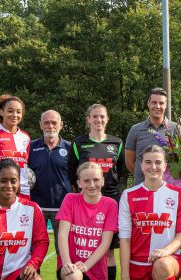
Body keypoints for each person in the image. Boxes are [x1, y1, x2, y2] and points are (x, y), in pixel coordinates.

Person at [67, 104, 125, 279]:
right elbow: (72, 173)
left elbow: (120, 171)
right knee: (86, 247)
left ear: (107, 119)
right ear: (88, 119)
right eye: (95, 116)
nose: (98, 120)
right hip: (87, 201)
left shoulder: (117, 143)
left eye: (102, 116)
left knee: (108, 251)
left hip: (110, 201)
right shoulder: (78, 143)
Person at [119, 145, 181, 280]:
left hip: (168, 259)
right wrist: (124, 274)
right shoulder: (128, 195)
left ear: (165, 165)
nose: (153, 167)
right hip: (137, 264)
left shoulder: (178, 194)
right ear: (141, 165)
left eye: (158, 162)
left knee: (162, 265)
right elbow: (125, 238)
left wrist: (165, 251)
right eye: (148, 162)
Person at [56, 162, 118, 280]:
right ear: (79, 183)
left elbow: (106, 243)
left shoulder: (110, 204)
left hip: (95, 267)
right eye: (86, 181)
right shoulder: (70, 199)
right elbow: (62, 234)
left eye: (96, 180)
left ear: (103, 181)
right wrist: (68, 264)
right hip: (70, 264)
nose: (92, 184)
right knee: (74, 276)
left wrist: (86, 265)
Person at [28, 109, 72, 257]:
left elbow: (75, 177)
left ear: (61, 125)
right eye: (46, 122)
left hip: (62, 209)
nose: (50, 126)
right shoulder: (30, 147)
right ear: (40, 125)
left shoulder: (70, 148)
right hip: (36, 208)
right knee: (34, 252)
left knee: (63, 254)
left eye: (54, 122)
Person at [125, 88, 178, 185]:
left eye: (161, 103)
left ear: (166, 106)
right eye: (154, 102)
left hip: (169, 187)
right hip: (142, 186)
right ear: (148, 104)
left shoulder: (176, 129)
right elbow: (129, 162)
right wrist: (144, 174)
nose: (157, 106)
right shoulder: (135, 130)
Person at [0, 94, 32, 199]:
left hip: (23, 189)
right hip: (0, 189)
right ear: (2, 112)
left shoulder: (25, 137)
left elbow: (26, 164)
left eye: (18, 112)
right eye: (10, 111)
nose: (15, 115)